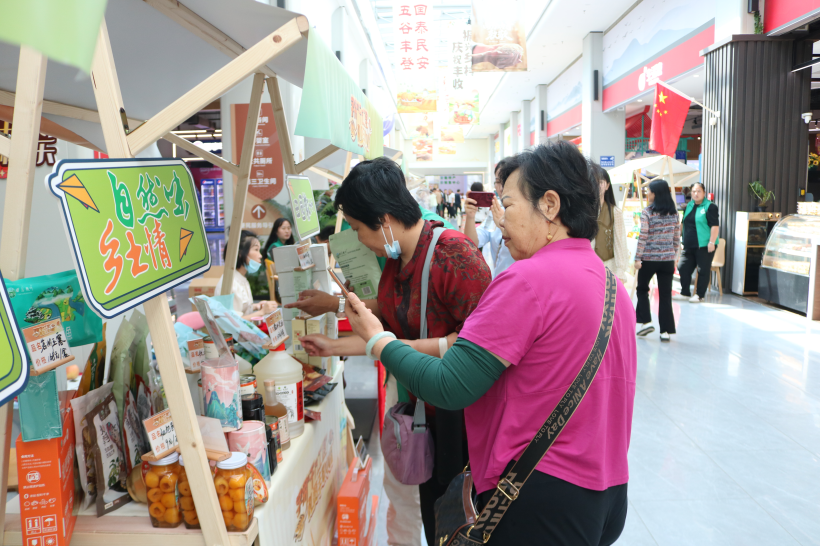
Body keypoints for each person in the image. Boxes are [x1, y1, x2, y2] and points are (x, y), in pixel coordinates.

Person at [335, 141, 636, 546]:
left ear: (549, 205)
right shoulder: (613, 288)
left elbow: (449, 385)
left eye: (508, 205)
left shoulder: (529, 281)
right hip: (607, 491)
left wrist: (378, 341)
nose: (499, 220)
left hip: (540, 497)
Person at [298, 157, 492, 546]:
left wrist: (393, 347)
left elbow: (481, 343)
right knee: (433, 518)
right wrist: (334, 341)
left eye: (355, 228)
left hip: (461, 419)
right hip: (422, 413)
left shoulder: (454, 254)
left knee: (459, 523)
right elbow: (385, 325)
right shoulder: (396, 260)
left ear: (383, 220)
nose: (356, 239)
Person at [634, 179, 680, 341]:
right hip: (667, 260)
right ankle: (665, 331)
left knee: (642, 289)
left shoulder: (647, 212)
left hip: (649, 259)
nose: (648, 193)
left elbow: (643, 237)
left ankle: (646, 322)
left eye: (649, 191)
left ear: (656, 193)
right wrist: (674, 257)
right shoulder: (674, 213)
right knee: (666, 295)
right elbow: (676, 239)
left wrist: (637, 258)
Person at [464, 161, 515, 277]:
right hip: (499, 282)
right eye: (498, 181)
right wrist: (470, 217)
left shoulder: (528, 214)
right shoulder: (494, 212)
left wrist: (504, 225)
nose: (502, 186)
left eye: (506, 180)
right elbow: (473, 242)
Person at [215, 229, 277, 319]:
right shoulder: (230, 283)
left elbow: (241, 308)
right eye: (256, 250)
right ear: (240, 253)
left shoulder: (240, 278)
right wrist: (262, 312)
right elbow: (234, 321)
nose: (260, 255)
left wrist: (256, 306)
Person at [674, 182, 719, 303]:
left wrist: (711, 242)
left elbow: (715, 226)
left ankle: (700, 295)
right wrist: (678, 237)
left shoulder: (710, 207)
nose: (696, 193)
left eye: (699, 191)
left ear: (704, 192)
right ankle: (685, 293)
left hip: (705, 245)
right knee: (683, 267)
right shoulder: (689, 205)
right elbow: (683, 222)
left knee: (702, 270)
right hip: (689, 245)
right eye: (693, 191)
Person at [592, 164, 629, 282]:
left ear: (607, 185)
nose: (597, 185)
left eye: (601, 182)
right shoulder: (583, 212)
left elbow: (620, 242)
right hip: (588, 265)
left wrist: (620, 270)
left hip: (609, 265)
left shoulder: (615, 212)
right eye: (594, 182)